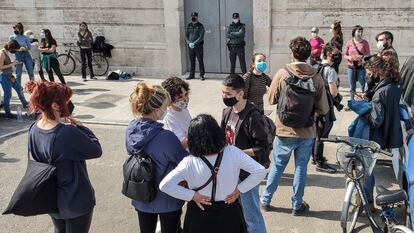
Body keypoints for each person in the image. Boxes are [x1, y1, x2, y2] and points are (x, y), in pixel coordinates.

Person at [160, 114, 266, 233]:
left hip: (200, 214)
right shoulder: (233, 152)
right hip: (229, 212)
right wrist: (239, 190)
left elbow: (165, 185)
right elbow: (260, 171)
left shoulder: (189, 162)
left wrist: (192, 196)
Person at [261, 37, 329, 215]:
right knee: (301, 168)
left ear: (292, 54)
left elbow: (271, 99)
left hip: (284, 129)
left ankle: (266, 199)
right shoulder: (316, 76)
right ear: (308, 55)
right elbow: (323, 109)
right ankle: (296, 205)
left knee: (277, 167)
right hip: (307, 131)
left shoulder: (283, 73)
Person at [26, 81, 102, 233]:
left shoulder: (34, 128)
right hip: (75, 199)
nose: (69, 103)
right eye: (66, 100)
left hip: (51, 197)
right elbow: (96, 150)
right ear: (55, 105)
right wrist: (81, 127)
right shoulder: (66, 132)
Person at [125, 83, 189, 233]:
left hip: (141, 192)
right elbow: (183, 160)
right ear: (156, 109)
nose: (166, 109)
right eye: (164, 106)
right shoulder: (165, 137)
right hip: (167, 197)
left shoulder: (131, 129)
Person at [220, 74, 269, 233]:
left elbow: (263, 147)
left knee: (251, 215)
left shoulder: (253, 116)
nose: (224, 97)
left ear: (240, 94)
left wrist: (238, 154)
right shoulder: (227, 111)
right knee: (237, 211)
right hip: (231, 171)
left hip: (247, 175)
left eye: (228, 94)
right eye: (223, 93)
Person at [360, 56, 403, 210]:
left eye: (370, 73)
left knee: (367, 169)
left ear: (377, 71)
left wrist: (363, 111)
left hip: (376, 136)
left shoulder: (381, 93)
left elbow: (376, 120)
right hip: (391, 132)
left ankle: (368, 202)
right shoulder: (394, 85)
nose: (369, 76)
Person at [312, 43, 339, 174]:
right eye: (335, 53)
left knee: (316, 131)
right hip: (326, 105)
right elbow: (333, 92)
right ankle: (319, 161)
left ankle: (314, 157)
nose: (337, 56)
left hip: (316, 104)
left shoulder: (316, 67)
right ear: (328, 54)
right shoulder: (331, 70)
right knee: (321, 134)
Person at [0, 40, 29, 119]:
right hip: (4, 76)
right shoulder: (2, 53)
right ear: (11, 48)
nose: (16, 51)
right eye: (15, 49)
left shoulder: (6, 52)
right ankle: (8, 113)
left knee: (19, 88)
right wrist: (12, 64)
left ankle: (25, 103)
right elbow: (1, 67)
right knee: (8, 95)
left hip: (10, 75)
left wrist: (14, 62)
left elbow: (7, 64)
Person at [161, 77, 192, 149]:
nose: (185, 99)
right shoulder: (169, 117)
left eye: (186, 94)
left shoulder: (183, 109)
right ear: (170, 100)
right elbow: (181, 145)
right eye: (180, 97)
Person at [344, 25, 370, 100]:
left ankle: (363, 100)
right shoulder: (349, 42)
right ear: (354, 32)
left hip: (360, 67)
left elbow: (368, 54)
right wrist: (348, 57)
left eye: (361, 31)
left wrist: (362, 57)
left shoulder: (365, 43)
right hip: (351, 67)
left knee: (362, 85)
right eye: (358, 31)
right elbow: (345, 54)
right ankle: (352, 101)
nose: (360, 33)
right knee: (352, 86)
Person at [186, 12, 205, 81]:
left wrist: (194, 43)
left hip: (198, 46)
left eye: (195, 16)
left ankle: (201, 75)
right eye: (192, 16)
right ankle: (191, 75)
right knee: (192, 61)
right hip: (191, 46)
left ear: (197, 17)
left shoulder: (200, 26)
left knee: (200, 60)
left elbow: (201, 36)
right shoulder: (189, 25)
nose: (193, 17)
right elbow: (186, 35)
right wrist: (188, 42)